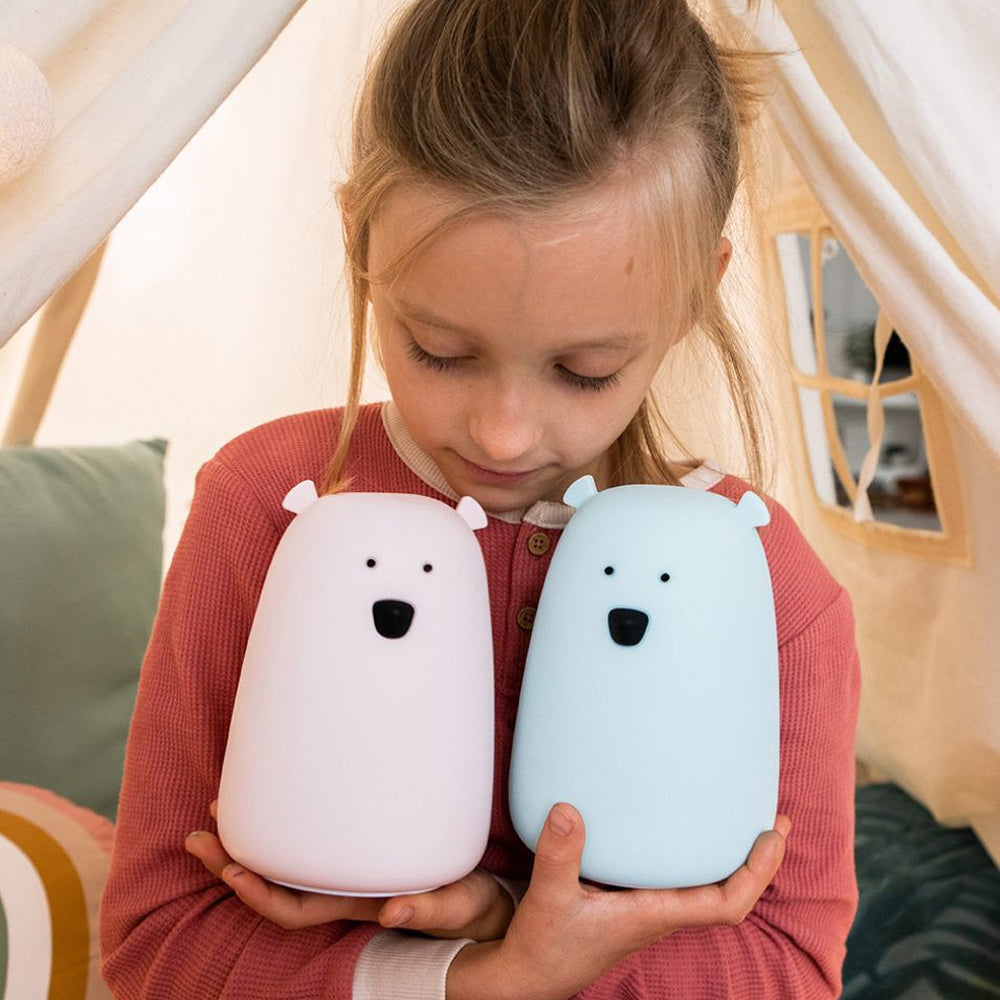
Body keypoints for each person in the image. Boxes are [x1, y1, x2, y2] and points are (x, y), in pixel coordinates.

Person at [100, 1, 861, 998]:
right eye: (440, 351)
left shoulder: (764, 584)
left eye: (584, 370)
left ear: (694, 296)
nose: (502, 434)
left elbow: (790, 968)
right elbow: (156, 944)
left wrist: (520, 929)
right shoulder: (270, 508)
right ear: (360, 242)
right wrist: (468, 979)